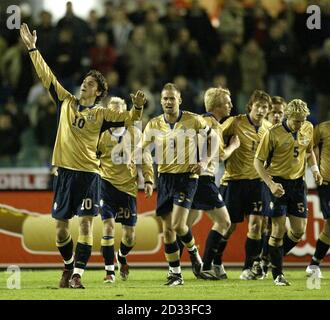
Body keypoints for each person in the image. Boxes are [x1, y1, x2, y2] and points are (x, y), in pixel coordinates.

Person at [20, 23, 146, 289]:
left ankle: (78, 274)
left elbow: (128, 118)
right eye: (84, 83)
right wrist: (33, 48)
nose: (83, 86)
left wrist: (136, 107)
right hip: (64, 173)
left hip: (90, 175)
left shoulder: (101, 114)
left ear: (99, 91)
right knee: (61, 230)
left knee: (87, 226)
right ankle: (68, 267)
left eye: (89, 85)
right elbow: (47, 77)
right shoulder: (66, 102)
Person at [142, 83, 219, 286]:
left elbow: (215, 139)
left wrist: (204, 161)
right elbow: (143, 152)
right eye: (165, 98)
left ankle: (194, 254)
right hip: (165, 178)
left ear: (179, 100)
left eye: (172, 98)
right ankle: (175, 273)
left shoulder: (194, 120)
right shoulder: (154, 124)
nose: (168, 102)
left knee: (177, 224)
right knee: (167, 230)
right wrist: (149, 178)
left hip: (187, 178)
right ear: (160, 101)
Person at [254, 99, 323, 286]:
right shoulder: (273, 133)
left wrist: (315, 170)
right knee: (277, 229)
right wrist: (270, 184)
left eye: (302, 120)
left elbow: (308, 152)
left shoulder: (308, 128)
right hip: (277, 183)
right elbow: (258, 162)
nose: (299, 124)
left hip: (297, 184)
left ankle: (267, 259)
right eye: (296, 121)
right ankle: (278, 275)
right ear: (287, 116)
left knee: (298, 231)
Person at [214, 90, 272, 280]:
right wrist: (225, 151)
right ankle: (216, 260)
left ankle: (248, 268)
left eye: (265, 107)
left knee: (256, 225)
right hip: (234, 182)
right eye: (258, 106)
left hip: (258, 183)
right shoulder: (235, 122)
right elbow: (215, 137)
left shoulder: (269, 129)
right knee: (228, 226)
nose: (261, 110)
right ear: (250, 107)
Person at [184, 87, 240, 279]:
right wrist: (234, 145)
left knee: (183, 226)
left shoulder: (200, 121)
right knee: (224, 222)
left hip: (191, 178)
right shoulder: (212, 124)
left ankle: (174, 268)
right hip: (203, 179)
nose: (231, 105)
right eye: (227, 102)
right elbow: (221, 154)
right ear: (217, 106)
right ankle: (206, 266)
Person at [97, 97, 152, 283]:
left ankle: (121, 256)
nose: (117, 114)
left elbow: (145, 156)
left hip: (128, 188)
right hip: (106, 185)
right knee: (108, 226)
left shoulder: (134, 134)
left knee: (129, 236)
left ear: (125, 113)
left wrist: (149, 179)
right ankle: (109, 271)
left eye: (120, 111)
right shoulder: (100, 134)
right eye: (113, 110)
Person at [255, 95, 286, 277]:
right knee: (264, 224)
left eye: (279, 113)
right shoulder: (264, 130)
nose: (275, 116)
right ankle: (260, 261)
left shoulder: (289, 131)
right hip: (264, 182)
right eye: (273, 112)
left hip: (285, 182)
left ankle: (265, 260)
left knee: (278, 226)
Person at [306, 121, 330, 279]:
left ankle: (314, 263)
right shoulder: (322, 128)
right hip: (327, 183)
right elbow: (311, 149)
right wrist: (316, 171)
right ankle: (314, 264)